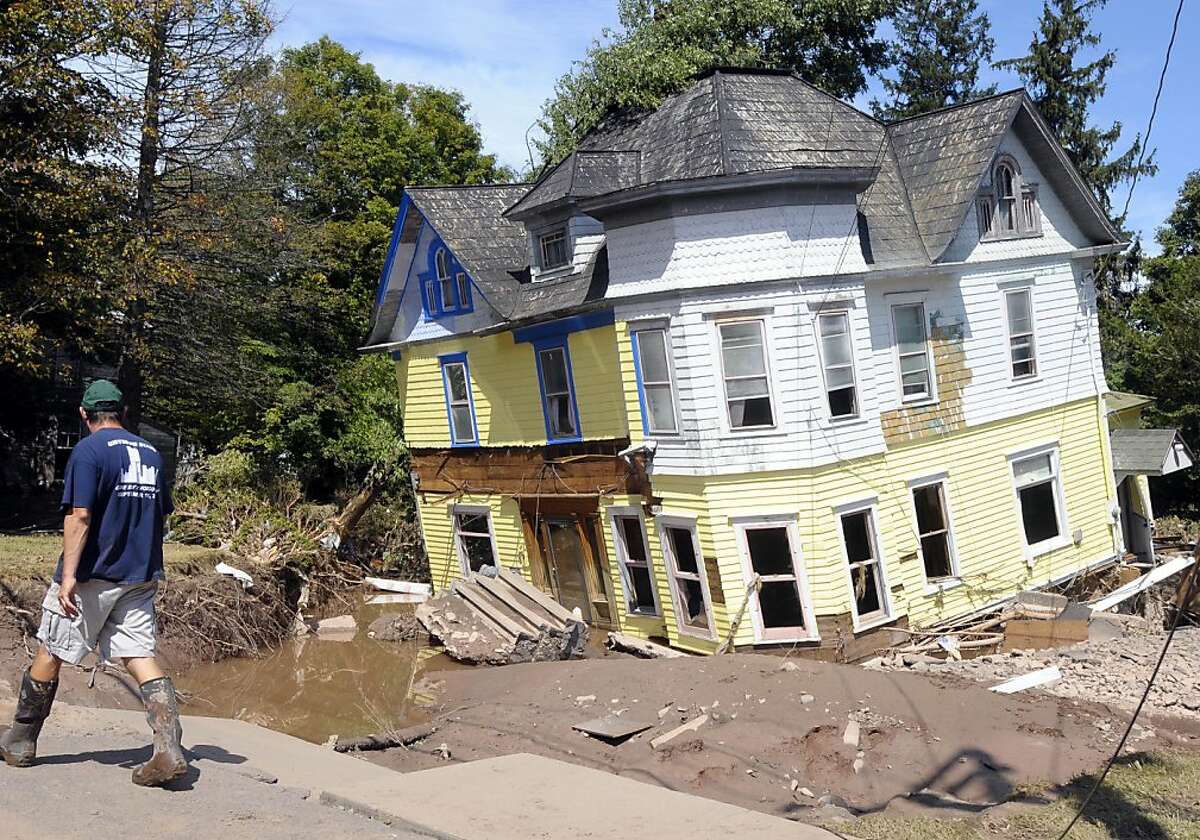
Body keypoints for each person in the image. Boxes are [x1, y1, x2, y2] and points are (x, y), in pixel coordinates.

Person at [0, 379, 188, 786]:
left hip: (93, 574)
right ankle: (167, 746)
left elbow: (79, 516)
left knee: (52, 647)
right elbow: (160, 512)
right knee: (137, 653)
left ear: (84, 414)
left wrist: (69, 576)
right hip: (140, 574)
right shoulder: (151, 452)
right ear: (123, 413)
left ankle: (20, 740)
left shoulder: (88, 451)